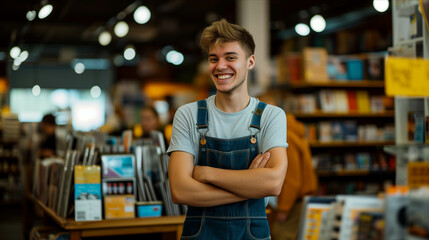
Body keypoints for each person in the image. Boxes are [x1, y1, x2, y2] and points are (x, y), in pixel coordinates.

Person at [167, 19, 288, 239]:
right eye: (214, 59)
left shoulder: (271, 116)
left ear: (250, 62)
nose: (220, 66)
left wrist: (206, 173)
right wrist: (250, 186)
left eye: (230, 57)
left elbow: (272, 183)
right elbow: (180, 190)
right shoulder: (188, 115)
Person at [270, 114, 318, 240]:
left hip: (293, 203)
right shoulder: (292, 130)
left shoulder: (286, 136)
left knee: (281, 234)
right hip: (299, 200)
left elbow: (292, 179)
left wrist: (283, 209)